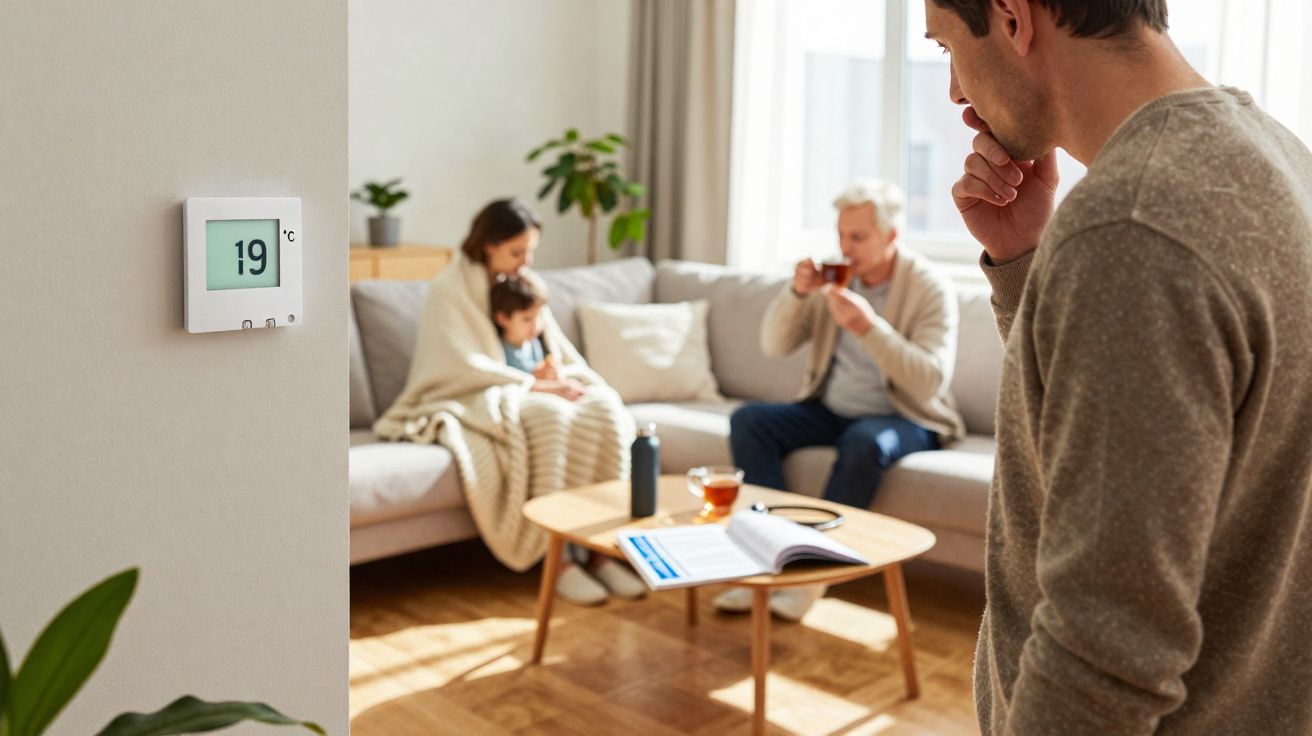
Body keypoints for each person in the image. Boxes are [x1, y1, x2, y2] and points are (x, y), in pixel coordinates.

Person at [926, 0, 1312, 732]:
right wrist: (1022, 264)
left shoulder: (1131, 228)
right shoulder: (1278, 155)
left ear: (1012, 18)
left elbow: (1102, 657)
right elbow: (1131, 441)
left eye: (946, 45)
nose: (952, 88)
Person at [374, 198, 644, 606]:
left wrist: (565, 380)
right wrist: (533, 387)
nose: (525, 261)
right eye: (517, 252)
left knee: (604, 406)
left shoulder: (523, 282)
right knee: (549, 416)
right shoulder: (450, 288)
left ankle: (596, 547)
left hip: (529, 385)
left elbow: (554, 347)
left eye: (530, 250)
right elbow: (459, 364)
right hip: (478, 391)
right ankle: (559, 559)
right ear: (488, 245)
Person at [720, 179, 965, 620]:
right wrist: (796, 293)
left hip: (906, 416)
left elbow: (929, 382)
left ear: (891, 236)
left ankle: (813, 576)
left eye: (858, 237)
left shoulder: (929, 287)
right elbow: (774, 345)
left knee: (866, 442)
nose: (845, 246)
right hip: (831, 410)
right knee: (750, 421)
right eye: (841, 234)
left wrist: (869, 328)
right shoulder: (836, 280)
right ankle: (769, 554)